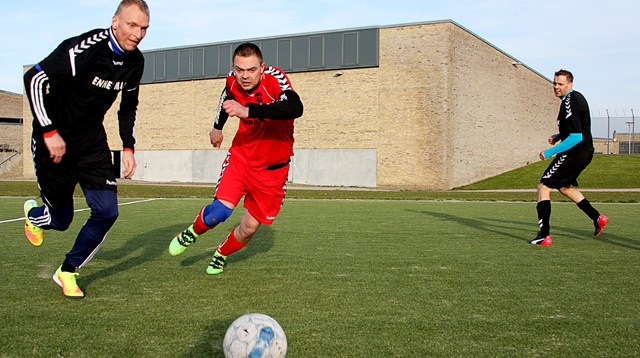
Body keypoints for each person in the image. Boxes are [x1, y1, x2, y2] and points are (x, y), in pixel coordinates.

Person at [22, 0, 150, 298]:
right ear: (115, 21)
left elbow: (128, 106)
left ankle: (68, 270)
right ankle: (35, 215)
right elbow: (35, 78)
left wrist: (128, 147)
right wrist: (49, 131)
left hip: (91, 142)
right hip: (54, 141)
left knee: (107, 211)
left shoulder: (136, 62)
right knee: (60, 220)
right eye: (132, 25)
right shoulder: (85, 48)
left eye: (144, 28)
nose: (138, 34)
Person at [168, 43, 303, 275]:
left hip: (273, 171)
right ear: (234, 68)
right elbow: (226, 97)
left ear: (262, 67)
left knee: (249, 229)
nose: (245, 75)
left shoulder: (275, 79)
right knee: (219, 212)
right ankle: (193, 231)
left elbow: (295, 107)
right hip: (242, 158)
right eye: (240, 70)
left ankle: (221, 254)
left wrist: (249, 111)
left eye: (251, 70)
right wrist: (217, 128)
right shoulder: (232, 80)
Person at [530, 69, 608, 246]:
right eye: (555, 83)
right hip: (583, 152)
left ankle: (544, 235)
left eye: (560, 84)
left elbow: (575, 137)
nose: (556, 87)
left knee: (543, 186)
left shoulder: (570, 102)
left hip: (575, 152)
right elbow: (575, 129)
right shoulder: (573, 99)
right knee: (564, 187)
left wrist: (550, 151)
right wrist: (558, 136)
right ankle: (598, 218)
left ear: (570, 85)